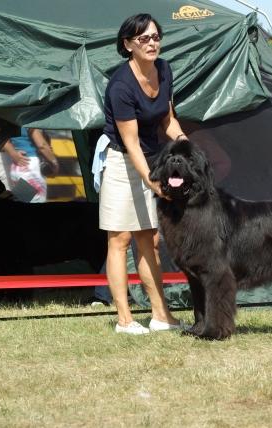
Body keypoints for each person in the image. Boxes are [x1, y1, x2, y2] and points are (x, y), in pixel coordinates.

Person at [93, 13, 185, 334]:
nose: (152, 43)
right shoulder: (121, 85)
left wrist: (185, 143)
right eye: (144, 39)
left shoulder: (164, 69)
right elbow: (130, 143)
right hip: (121, 160)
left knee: (150, 239)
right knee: (120, 239)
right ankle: (125, 320)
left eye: (156, 37)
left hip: (152, 158)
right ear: (128, 45)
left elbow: (167, 120)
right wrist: (152, 181)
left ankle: (161, 316)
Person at [2, 128, 59, 203]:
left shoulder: (10, 120)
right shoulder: (29, 121)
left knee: (24, 201)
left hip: (17, 166)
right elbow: (42, 146)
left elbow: (2, 140)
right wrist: (55, 164)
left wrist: (13, 153)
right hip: (30, 166)